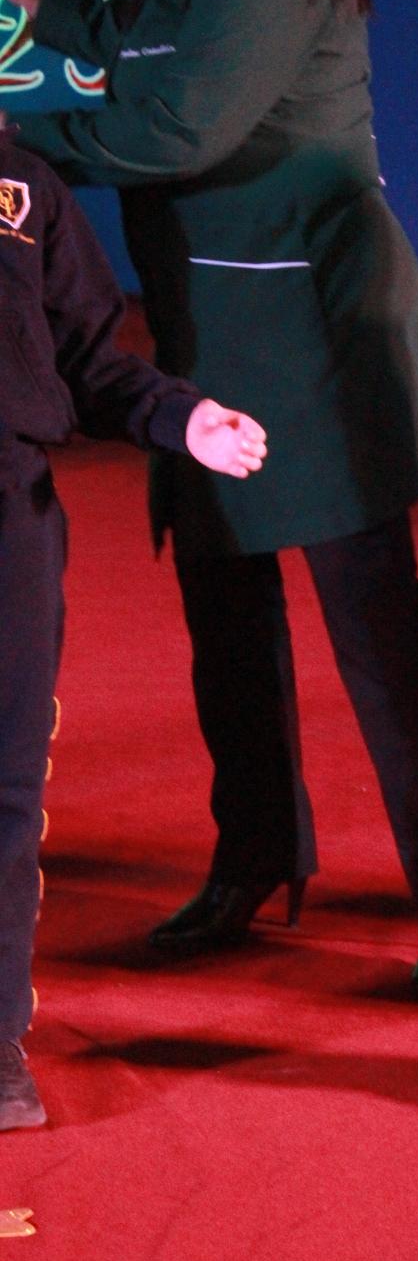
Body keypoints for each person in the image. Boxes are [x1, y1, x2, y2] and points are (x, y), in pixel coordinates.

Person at [0, 0, 418, 990]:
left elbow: (175, 127)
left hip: (313, 325)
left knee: (369, 616)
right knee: (223, 606)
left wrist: (11, 139)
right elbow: (155, 52)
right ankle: (257, 852)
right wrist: (44, 2)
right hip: (212, 319)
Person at [0, 132, 267, 1130]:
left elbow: (85, 364)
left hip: (8, 518)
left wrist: (180, 418)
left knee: (5, 789)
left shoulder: (25, 188)